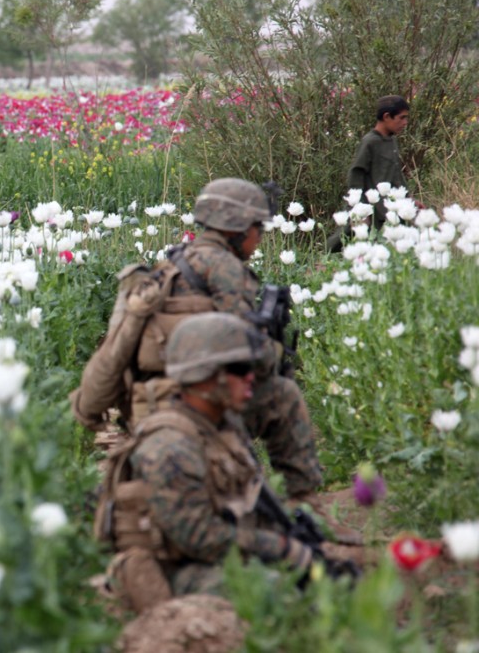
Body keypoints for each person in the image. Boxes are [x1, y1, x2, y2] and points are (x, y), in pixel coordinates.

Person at [72, 178, 362, 543]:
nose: (259, 239)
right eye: (258, 228)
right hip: (202, 402)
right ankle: (305, 503)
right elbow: (242, 352)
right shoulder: (225, 269)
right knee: (283, 395)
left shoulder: (169, 265)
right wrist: (275, 354)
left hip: (146, 408)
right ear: (238, 229)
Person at [94, 313, 317, 617]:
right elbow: (199, 539)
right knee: (274, 592)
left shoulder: (221, 426)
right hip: (177, 571)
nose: (251, 377)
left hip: (220, 555)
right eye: (239, 369)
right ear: (207, 377)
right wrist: (279, 547)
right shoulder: (170, 447)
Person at [326, 95, 410, 252]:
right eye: (401, 118)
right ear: (386, 117)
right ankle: (323, 259)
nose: (405, 123)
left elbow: (396, 174)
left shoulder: (391, 141)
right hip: (368, 204)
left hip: (387, 206)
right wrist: (359, 205)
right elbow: (356, 172)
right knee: (347, 236)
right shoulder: (370, 142)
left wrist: (409, 199)